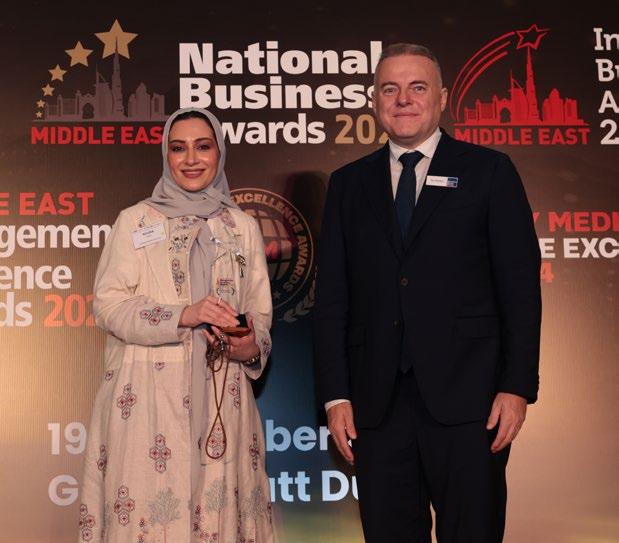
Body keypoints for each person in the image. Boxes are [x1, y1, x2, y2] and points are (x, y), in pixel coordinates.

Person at [314, 44, 541, 542]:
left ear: (441, 98)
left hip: (472, 402)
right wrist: (335, 396)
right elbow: (331, 299)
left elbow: (520, 289)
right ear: (375, 101)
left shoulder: (490, 171)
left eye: (417, 87)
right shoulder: (349, 185)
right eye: (389, 89)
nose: (403, 99)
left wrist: (517, 386)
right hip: (375, 406)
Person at [79, 108, 274, 543]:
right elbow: (109, 306)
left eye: (203, 147)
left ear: (219, 153)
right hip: (148, 398)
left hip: (223, 397)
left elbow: (260, 315)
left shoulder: (241, 227)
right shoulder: (136, 221)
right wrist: (184, 314)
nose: (191, 159)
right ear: (166, 156)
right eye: (178, 148)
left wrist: (248, 345)